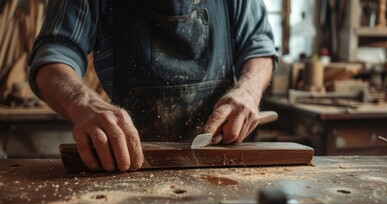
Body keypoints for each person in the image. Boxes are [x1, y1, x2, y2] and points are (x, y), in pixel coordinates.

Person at [28, 0, 278, 172]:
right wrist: (83, 103)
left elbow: (258, 45)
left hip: (222, 159)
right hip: (129, 160)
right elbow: (53, 56)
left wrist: (248, 91)